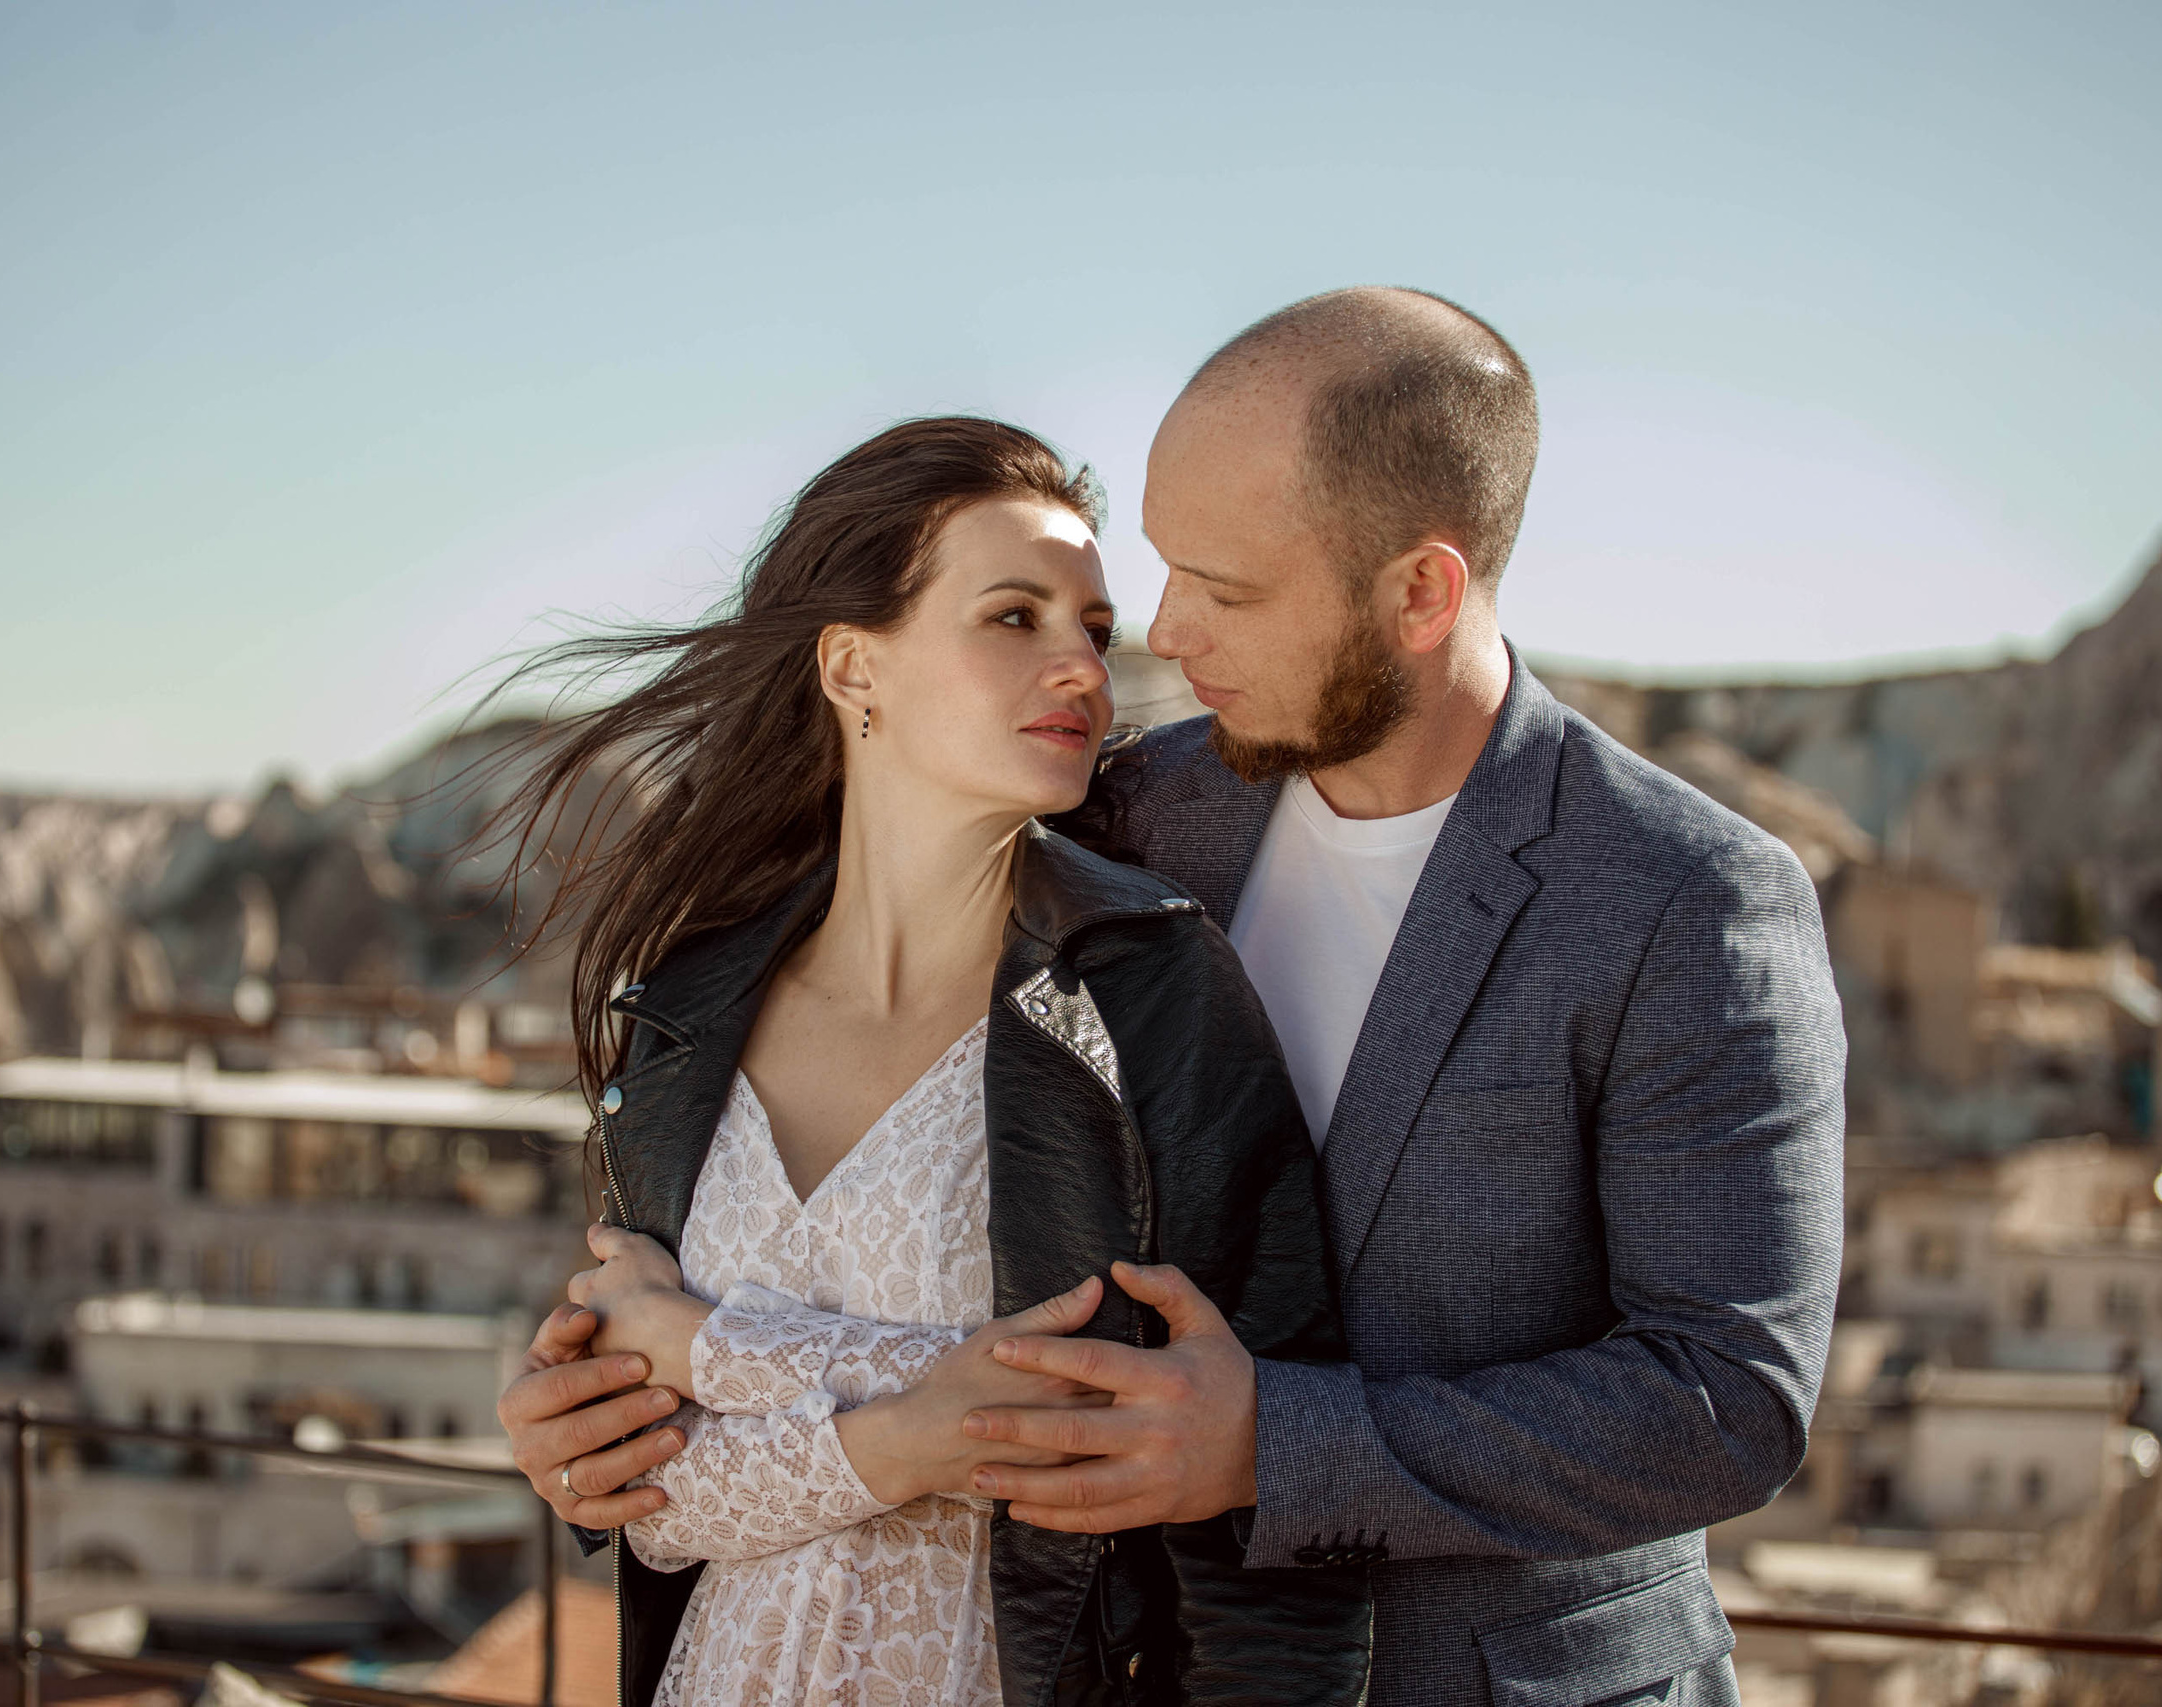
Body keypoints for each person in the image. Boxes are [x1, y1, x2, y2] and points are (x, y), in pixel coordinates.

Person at [537, 290, 1848, 1705]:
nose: (1162, 635)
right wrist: (595, 1420)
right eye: (1163, 574)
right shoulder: (1127, 820)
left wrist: (1271, 1443)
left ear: (1422, 594)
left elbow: (1727, 1398)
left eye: (1228, 590)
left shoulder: (1683, 896)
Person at [492, 417, 1369, 1707]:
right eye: (1015, 616)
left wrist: (711, 1347)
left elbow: (1243, 1470)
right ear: (854, 666)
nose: (1083, 667)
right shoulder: (685, 1010)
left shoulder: (1149, 987)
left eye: (1094, 628)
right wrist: (894, 1431)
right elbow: (655, 1505)